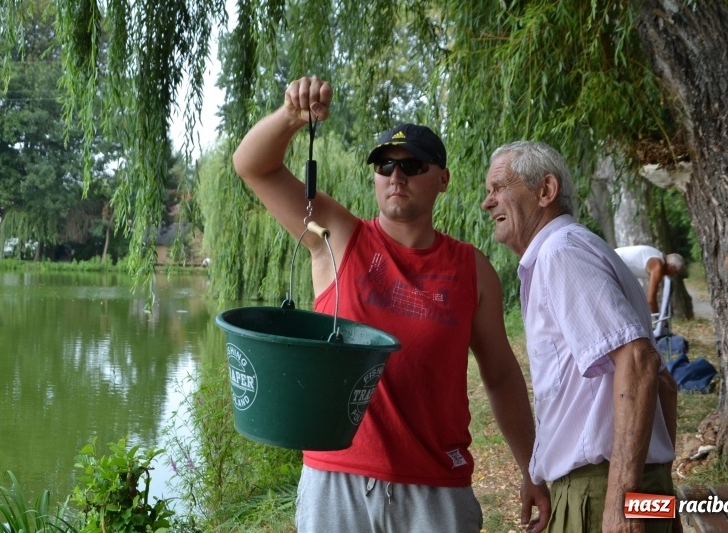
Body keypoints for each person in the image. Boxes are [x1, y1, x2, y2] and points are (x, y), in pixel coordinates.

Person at [232, 76, 550, 533]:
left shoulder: (473, 269)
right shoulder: (339, 237)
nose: (396, 176)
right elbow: (253, 167)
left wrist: (530, 468)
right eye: (384, 165)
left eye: (413, 165)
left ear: (443, 179)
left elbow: (500, 375)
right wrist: (290, 117)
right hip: (336, 479)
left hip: (435, 487)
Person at [480, 140, 680, 533]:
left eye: (499, 187)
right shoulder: (579, 248)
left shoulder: (561, 252)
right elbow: (664, 386)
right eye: (488, 192)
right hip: (628, 482)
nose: (488, 202)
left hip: (599, 492)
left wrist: (622, 503)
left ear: (545, 190)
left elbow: (639, 362)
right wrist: (658, 496)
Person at [615, 245, 686, 313]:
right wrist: (659, 318)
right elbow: (651, 300)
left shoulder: (657, 254)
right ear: (671, 267)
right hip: (612, 265)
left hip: (613, 259)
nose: (672, 275)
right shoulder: (658, 267)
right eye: (675, 273)